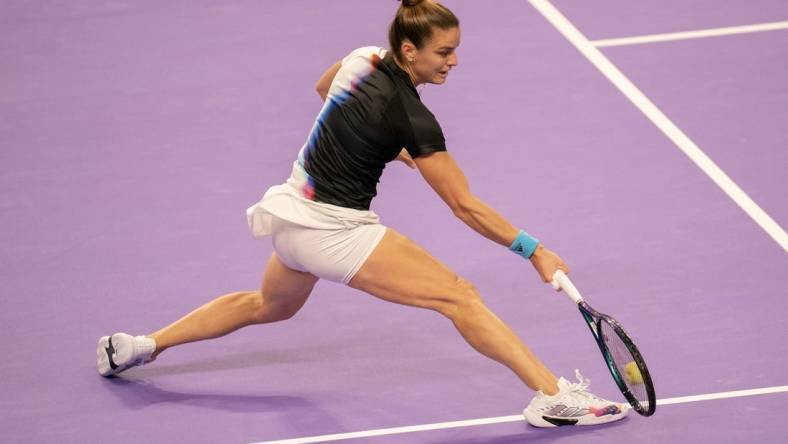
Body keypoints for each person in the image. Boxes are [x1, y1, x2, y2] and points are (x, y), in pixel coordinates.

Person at [97, 0, 629, 428]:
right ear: (409, 49)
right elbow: (464, 206)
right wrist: (533, 250)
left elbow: (323, 88)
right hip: (334, 232)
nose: (454, 61)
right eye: (444, 52)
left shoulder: (363, 58)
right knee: (460, 296)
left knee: (267, 305)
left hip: (287, 217)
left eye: (456, 50)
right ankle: (552, 395)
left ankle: (143, 346)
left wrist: (377, 144)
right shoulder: (415, 120)